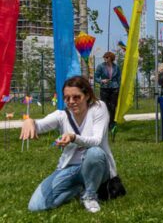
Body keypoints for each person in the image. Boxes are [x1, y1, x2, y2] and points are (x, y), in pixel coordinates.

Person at [20, 76, 118, 213]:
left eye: (76, 97)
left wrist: (73, 137)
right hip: (70, 168)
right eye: (67, 98)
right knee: (36, 206)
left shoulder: (98, 108)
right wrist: (30, 122)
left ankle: (90, 196)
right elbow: (38, 125)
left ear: (87, 95)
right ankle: (78, 189)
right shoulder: (61, 115)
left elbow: (96, 140)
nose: (71, 102)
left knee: (94, 152)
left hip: (97, 166)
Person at [94, 52, 121, 128]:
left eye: (107, 57)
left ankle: (112, 123)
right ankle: (105, 122)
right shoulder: (100, 66)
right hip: (104, 88)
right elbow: (96, 77)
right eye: (104, 57)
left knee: (113, 107)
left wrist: (119, 87)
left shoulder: (116, 67)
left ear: (111, 58)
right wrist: (101, 81)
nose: (105, 59)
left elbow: (119, 78)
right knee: (105, 106)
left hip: (114, 88)